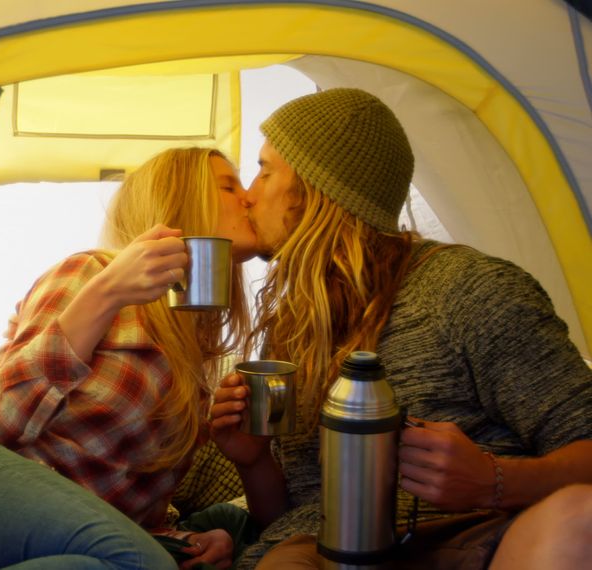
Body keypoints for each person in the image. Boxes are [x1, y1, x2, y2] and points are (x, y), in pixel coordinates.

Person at [208, 87, 592, 569]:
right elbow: (288, 515)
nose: (248, 195)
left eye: (265, 171)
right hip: (320, 549)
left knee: (580, 519)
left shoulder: (467, 289)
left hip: (472, 535)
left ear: (318, 188)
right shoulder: (295, 326)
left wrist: (495, 480)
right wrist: (254, 461)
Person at [0, 147, 261, 569]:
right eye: (230, 186)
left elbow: (114, 513)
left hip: (20, 518)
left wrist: (185, 539)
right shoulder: (96, 272)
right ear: (183, 200)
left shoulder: (194, 370)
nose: (248, 197)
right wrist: (106, 292)